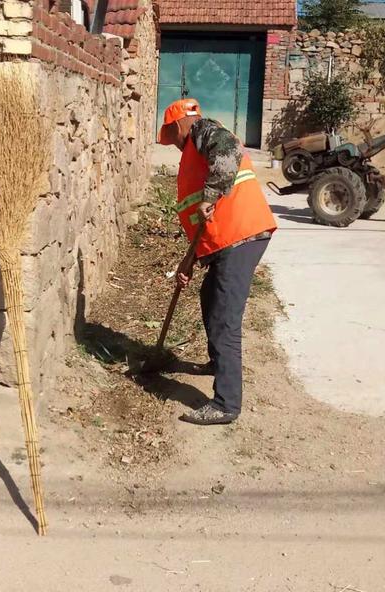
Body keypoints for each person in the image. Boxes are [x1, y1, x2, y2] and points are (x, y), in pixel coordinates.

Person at [158, 98, 277, 426]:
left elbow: (227, 153)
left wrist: (211, 196)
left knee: (225, 317)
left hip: (241, 236)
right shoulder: (194, 152)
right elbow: (201, 219)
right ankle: (217, 363)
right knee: (210, 297)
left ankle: (226, 403)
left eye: (172, 133)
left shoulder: (204, 131)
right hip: (226, 240)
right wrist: (189, 260)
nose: (175, 142)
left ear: (180, 123)